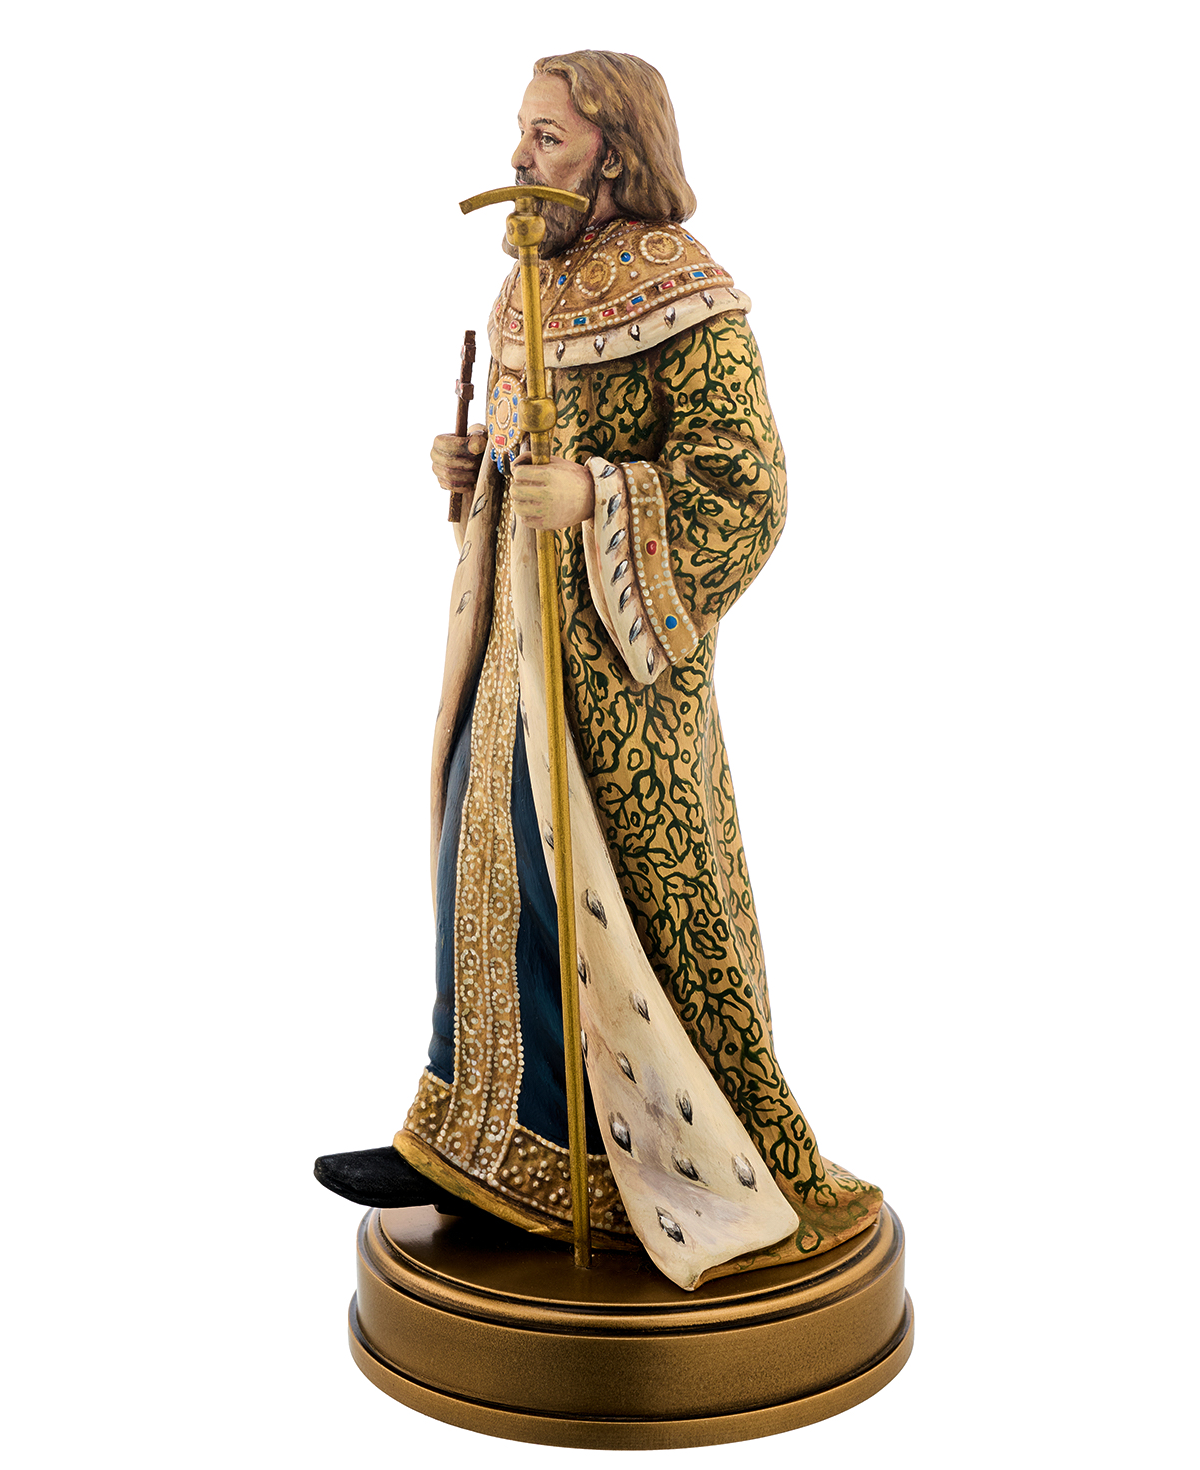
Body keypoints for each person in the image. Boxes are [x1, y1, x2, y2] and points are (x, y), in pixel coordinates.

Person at [316, 50, 881, 1290]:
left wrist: (600, 498)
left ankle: (662, 1168)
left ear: (614, 156)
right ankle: (473, 1146)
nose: (518, 159)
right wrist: (477, 473)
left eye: (546, 139)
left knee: (610, 900)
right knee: (484, 868)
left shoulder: (690, 293)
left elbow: (747, 486)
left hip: (618, 682)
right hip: (512, 651)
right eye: (522, 133)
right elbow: (524, 459)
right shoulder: (528, 283)